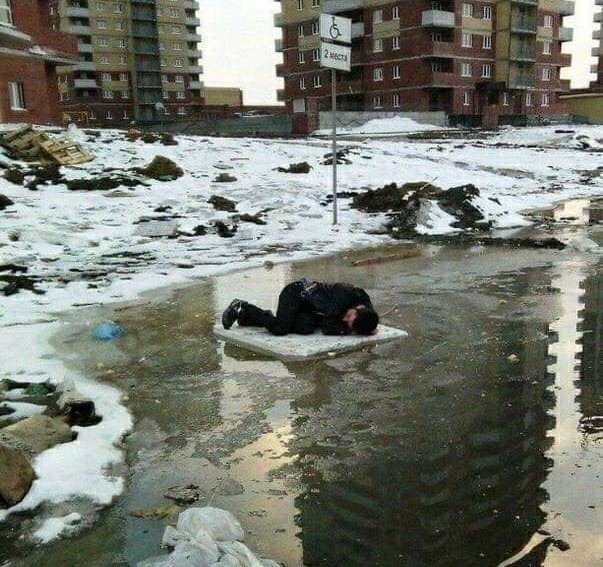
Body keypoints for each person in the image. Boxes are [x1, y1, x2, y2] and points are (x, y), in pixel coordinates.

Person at [221, 278, 379, 337]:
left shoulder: (366, 310)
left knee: (304, 327)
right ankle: (242, 308)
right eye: (349, 316)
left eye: (348, 321)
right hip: (295, 293)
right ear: (357, 308)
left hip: (310, 307)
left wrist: (365, 329)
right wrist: (347, 329)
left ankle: (254, 317)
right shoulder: (344, 295)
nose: (345, 318)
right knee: (281, 328)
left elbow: (368, 323)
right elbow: (328, 327)